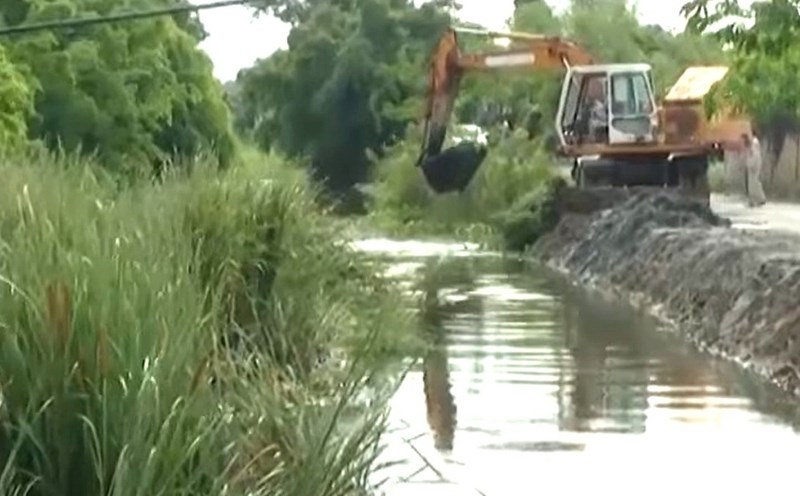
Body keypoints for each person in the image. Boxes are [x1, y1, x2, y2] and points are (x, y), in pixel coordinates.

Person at [742, 132, 767, 207]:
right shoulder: (752, 143)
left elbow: (754, 155)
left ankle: (758, 199)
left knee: (753, 183)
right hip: (752, 164)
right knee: (753, 183)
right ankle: (756, 199)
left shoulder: (754, 142)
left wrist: (751, 164)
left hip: (754, 164)